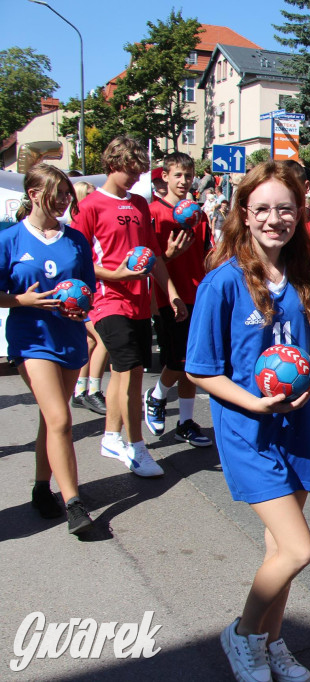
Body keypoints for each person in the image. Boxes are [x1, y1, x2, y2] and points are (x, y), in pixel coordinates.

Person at [186, 161, 310, 682]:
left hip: (294, 429)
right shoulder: (223, 283)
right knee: (300, 549)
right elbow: (199, 369)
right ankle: (242, 635)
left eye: (285, 208)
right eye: (263, 209)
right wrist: (253, 404)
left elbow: (294, 348)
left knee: (280, 550)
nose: (275, 219)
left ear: (299, 213)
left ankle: (271, 644)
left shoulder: (300, 277)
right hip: (246, 431)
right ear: (244, 214)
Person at [70, 135, 186, 478]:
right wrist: (116, 274)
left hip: (139, 302)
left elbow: (154, 258)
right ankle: (137, 447)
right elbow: (78, 262)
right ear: (112, 165)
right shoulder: (90, 206)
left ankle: (109, 436)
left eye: (139, 172)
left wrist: (173, 294)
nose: (136, 178)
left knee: (126, 372)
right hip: (107, 300)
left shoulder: (138, 204)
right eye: (131, 171)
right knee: (132, 370)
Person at [2, 164, 96, 534]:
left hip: (69, 338)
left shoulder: (75, 240)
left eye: (66, 194)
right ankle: (74, 503)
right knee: (60, 418)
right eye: (56, 193)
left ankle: (41, 488)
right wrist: (21, 300)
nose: (63, 200)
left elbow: (86, 290)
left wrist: (84, 315)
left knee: (49, 419)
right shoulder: (10, 240)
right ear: (33, 194)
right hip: (31, 340)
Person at [144, 152, 215, 448]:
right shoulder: (154, 214)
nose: (184, 181)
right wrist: (170, 255)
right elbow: (149, 260)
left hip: (198, 294)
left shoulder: (198, 215)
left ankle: (185, 422)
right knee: (177, 359)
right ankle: (158, 395)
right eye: (178, 175)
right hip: (168, 296)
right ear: (165, 178)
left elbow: (209, 254)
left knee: (193, 363)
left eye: (188, 176)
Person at [68, 181, 109, 416]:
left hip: (92, 293)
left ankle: (80, 390)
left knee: (92, 341)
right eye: (90, 195)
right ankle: (93, 390)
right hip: (87, 295)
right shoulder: (76, 229)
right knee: (102, 338)